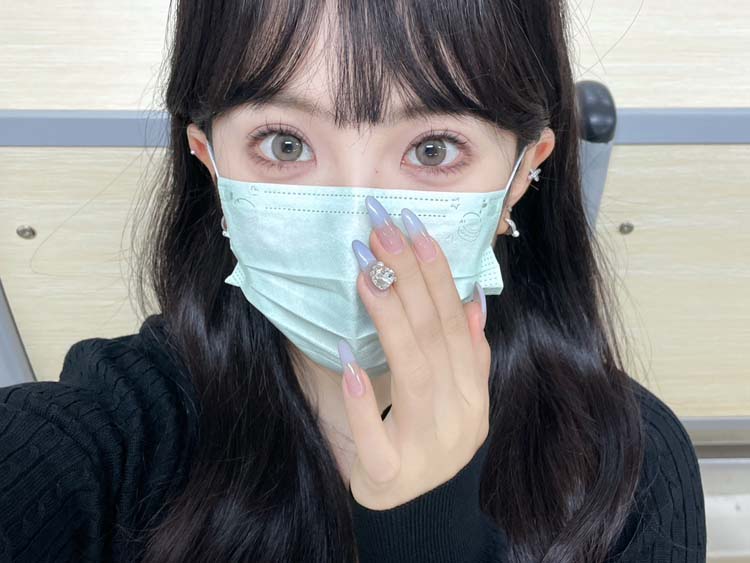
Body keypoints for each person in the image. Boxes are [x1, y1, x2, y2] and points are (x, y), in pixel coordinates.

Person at [0, 0, 707, 562]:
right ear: (209, 162)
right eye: (285, 144)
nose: (357, 231)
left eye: (433, 149)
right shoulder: (102, 438)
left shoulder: (629, 467)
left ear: (522, 174)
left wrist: (428, 528)